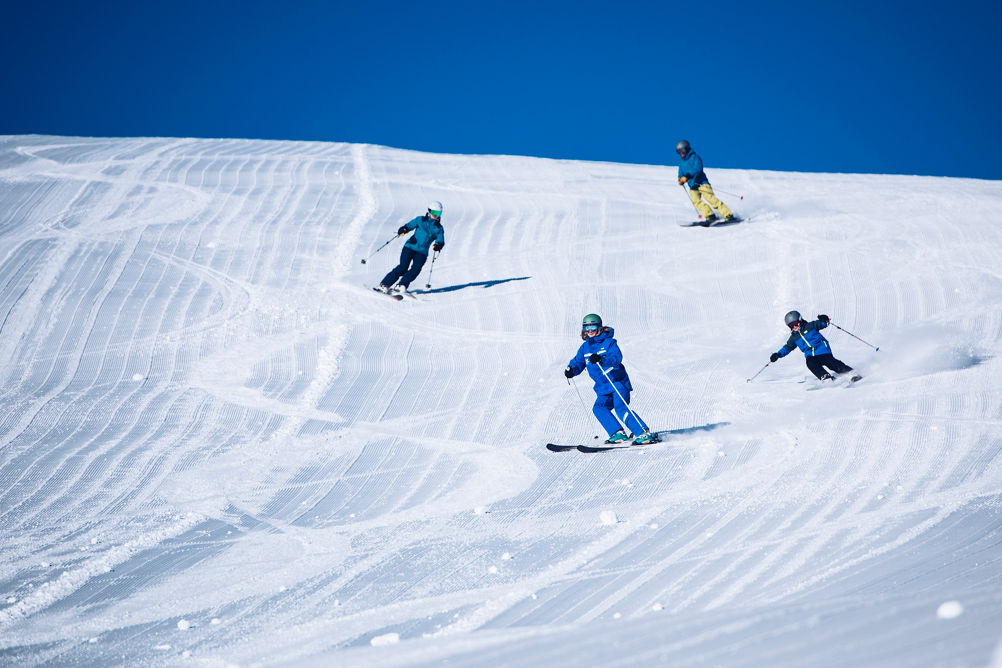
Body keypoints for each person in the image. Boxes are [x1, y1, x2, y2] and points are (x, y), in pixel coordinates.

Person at [564, 314, 655, 445]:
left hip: (617, 382)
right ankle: (617, 433)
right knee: (599, 408)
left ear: (599, 327)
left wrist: (602, 359)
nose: (590, 331)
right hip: (603, 387)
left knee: (620, 408)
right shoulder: (585, 347)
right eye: (587, 328)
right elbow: (578, 362)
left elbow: (616, 359)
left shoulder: (609, 342)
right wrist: (572, 370)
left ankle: (643, 433)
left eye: (593, 327)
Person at [769, 311, 861, 381]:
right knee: (810, 363)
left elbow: (824, 323)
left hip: (822, 350)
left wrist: (824, 319)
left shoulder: (810, 326)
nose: (794, 326)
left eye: (795, 323)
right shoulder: (794, 337)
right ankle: (825, 377)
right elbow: (788, 347)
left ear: (800, 320)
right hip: (811, 355)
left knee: (831, 363)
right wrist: (778, 354)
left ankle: (851, 373)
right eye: (791, 325)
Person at [376, 201, 445, 294]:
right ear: (429, 211)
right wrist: (404, 229)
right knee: (403, 267)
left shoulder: (439, 228)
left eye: (439, 213)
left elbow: (440, 239)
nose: (436, 216)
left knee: (416, 270)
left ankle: (401, 285)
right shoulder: (420, 220)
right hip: (410, 247)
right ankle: (384, 285)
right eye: (434, 213)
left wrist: (438, 245)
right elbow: (409, 226)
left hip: (422, 252)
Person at [675, 140, 735, 224]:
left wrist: (687, 176)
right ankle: (710, 216)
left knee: (710, 199)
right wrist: (680, 180)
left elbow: (698, 169)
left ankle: (728, 215)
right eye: (679, 152)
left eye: (682, 151)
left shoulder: (695, 157)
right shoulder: (681, 163)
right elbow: (680, 174)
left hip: (702, 183)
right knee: (696, 202)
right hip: (692, 186)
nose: (681, 153)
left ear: (687, 149)